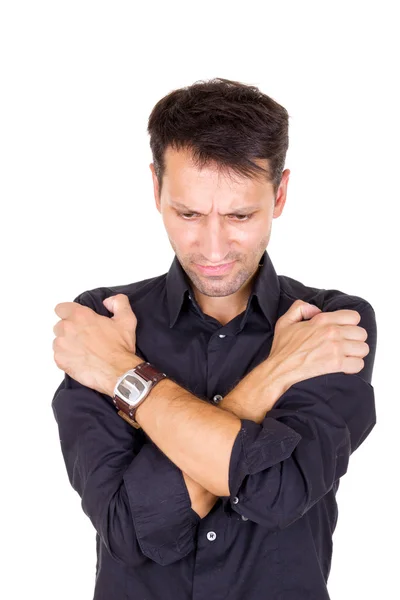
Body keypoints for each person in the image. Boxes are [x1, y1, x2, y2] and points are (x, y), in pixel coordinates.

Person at [51, 77, 377, 600]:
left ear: (281, 193)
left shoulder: (330, 323)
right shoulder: (103, 321)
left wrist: (121, 374)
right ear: (155, 188)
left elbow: (276, 494)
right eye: (188, 214)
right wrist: (273, 376)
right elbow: (132, 531)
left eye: (240, 215)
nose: (213, 245)